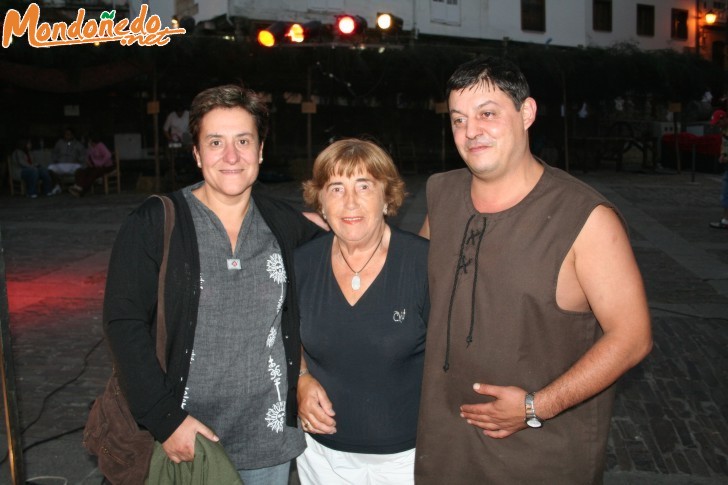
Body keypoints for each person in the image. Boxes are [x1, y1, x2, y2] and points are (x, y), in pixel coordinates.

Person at [414, 56, 652, 484]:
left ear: (527, 113)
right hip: (445, 446)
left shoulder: (585, 217)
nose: (471, 132)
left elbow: (632, 339)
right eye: (458, 119)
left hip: (541, 456)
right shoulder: (441, 194)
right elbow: (410, 287)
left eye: (488, 114)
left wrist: (535, 407)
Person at [103, 84, 324, 484]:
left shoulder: (283, 223)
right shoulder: (155, 223)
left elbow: (344, 265)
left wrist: (306, 376)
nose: (231, 156)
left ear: (260, 150)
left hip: (267, 442)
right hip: (187, 440)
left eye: (243, 140)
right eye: (216, 142)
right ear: (197, 153)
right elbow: (124, 323)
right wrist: (165, 420)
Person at [295, 138, 429, 484]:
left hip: (406, 459)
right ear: (320, 202)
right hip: (322, 458)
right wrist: (301, 378)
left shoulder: (424, 264)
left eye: (364, 186)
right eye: (336, 188)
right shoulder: (301, 264)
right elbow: (282, 334)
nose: (350, 201)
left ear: (387, 196)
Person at [709, 109, 728, 229]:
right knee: (725, 192)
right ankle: (726, 219)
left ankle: (726, 219)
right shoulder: (724, 130)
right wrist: (722, 154)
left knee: (726, 192)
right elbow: (724, 145)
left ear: (724, 118)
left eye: (718, 123)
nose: (717, 125)